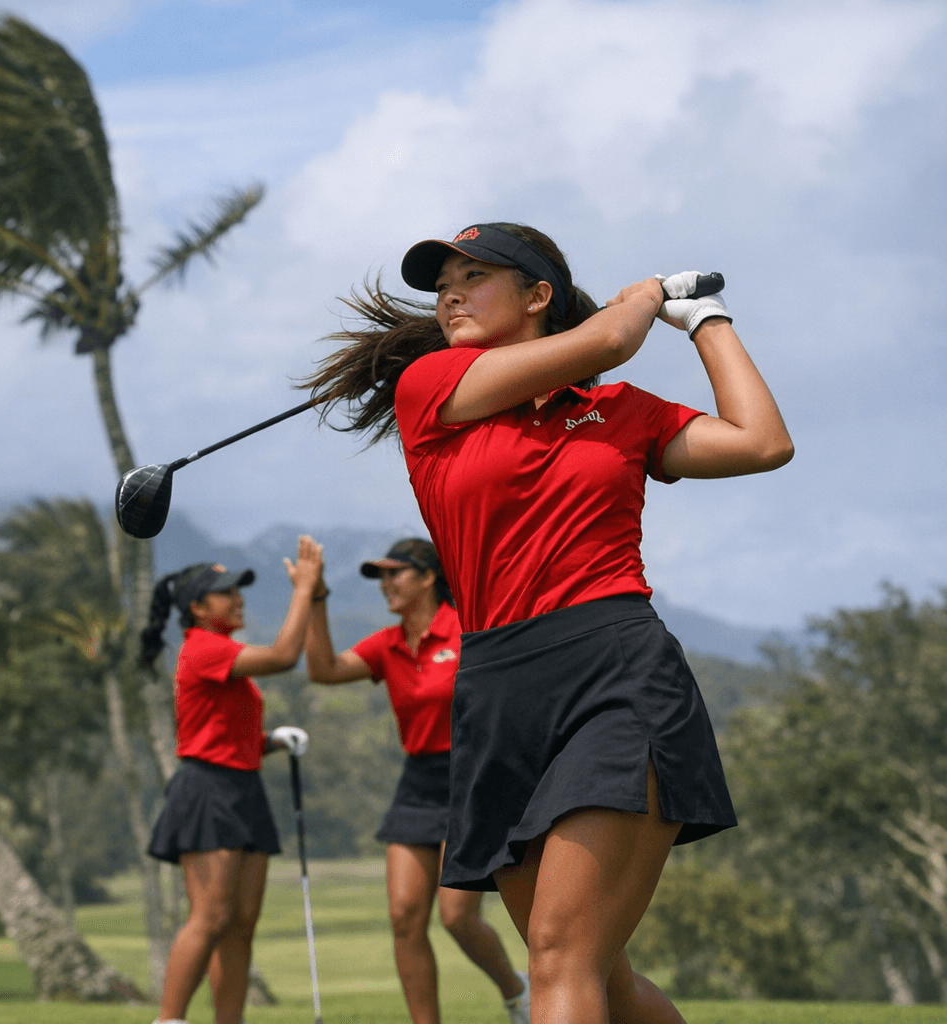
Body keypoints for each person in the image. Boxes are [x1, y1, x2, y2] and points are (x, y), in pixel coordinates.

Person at [307, 223, 793, 1024]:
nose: (450, 294)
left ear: (538, 297)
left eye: (474, 276)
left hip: (616, 671)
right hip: (497, 688)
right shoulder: (432, 387)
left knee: (562, 961)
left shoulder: (620, 412)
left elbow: (762, 442)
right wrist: (637, 303)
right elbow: (607, 336)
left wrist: (706, 318)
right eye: (443, 284)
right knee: (601, 978)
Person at [306, 537, 528, 1024]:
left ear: (428, 577)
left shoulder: (467, 628)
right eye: (380, 576)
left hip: (471, 778)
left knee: (456, 917)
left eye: (395, 573)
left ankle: (516, 994)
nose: (386, 584)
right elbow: (323, 670)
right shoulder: (387, 645)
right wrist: (314, 596)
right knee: (405, 918)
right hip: (419, 780)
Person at [141, 537, 322, 1024]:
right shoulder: (203, 649)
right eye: (226, 592)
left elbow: (223, 732)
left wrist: (270, 741)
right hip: (207, 792)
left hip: (243, 788)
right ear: (198, 608)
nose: (238, 597)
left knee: (241, 925)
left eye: (238, 589)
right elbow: (286, 657)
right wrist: (304, 589)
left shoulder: (222, 652)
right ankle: (169, 1020)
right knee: (212, 918)